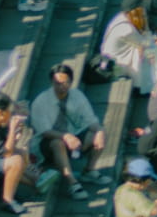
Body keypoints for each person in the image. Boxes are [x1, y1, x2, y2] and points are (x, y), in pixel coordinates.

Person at [29, 63, 105, 198]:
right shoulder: (41, 101)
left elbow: (91, 119)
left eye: (65, 82)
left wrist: (99, 132)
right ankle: (73, 183)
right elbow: (44, 131)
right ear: (51, 82)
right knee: (57, 143)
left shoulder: (77, 95)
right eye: (57, 83)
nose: (61, 86)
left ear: (71, 82)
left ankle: (89, 170)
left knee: (99, 132)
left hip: (74, 135)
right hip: (47, 143)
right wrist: (66, 136)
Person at [101, 0, 157, 94]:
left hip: (115, 56)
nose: (144, 13)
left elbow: (144, 39)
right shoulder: (127, 29)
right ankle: (145, 86)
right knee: (154, 51)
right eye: (142, 12)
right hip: (115, 64)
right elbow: (147, 43)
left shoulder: (120, 17)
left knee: (144, 49)